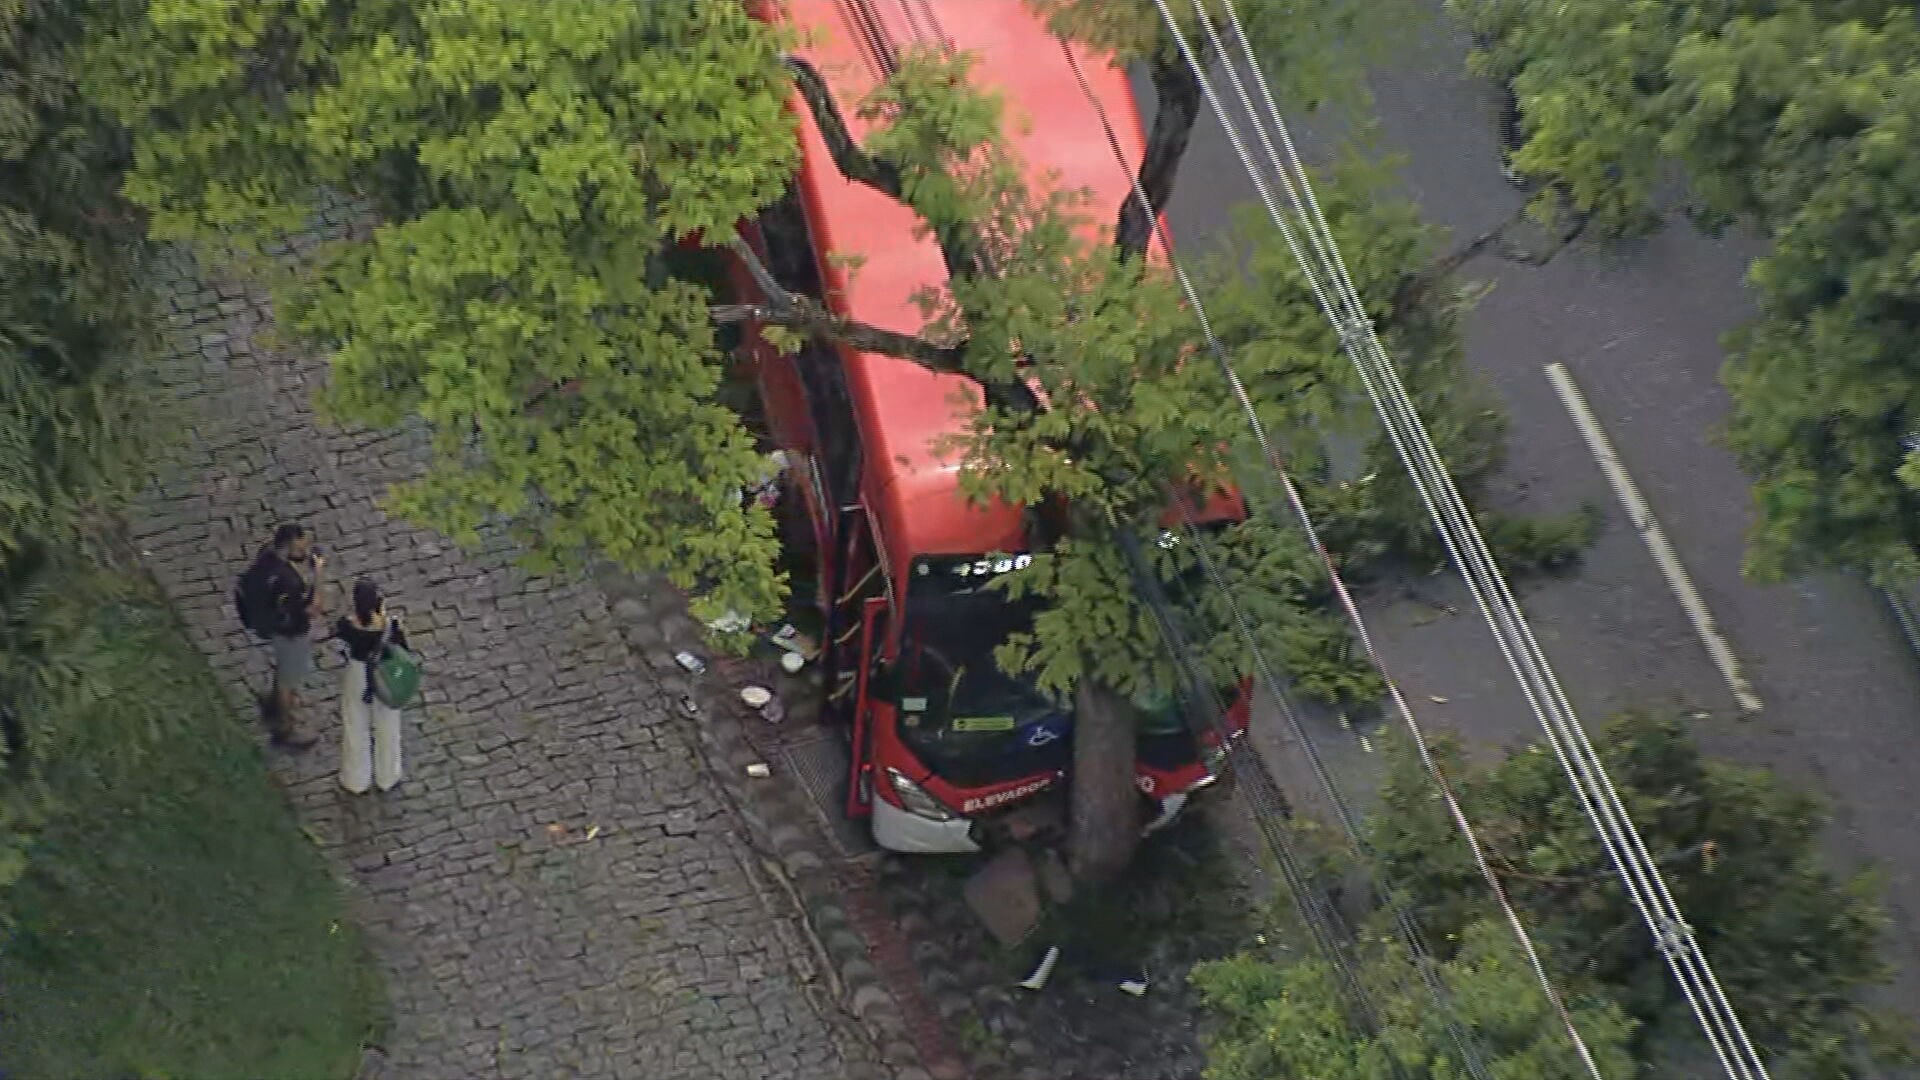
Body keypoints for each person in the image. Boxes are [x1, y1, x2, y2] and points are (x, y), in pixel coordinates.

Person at [242, 523, 324, 748]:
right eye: (301, 547)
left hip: (271, 623)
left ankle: (272, 704)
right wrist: (318, 575)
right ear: (289, 545)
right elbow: (313, 609)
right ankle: (284, 729)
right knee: (289, 679)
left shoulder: (266, 555)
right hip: (290, 632)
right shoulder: (289, 581)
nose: (305, 551)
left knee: (283, 669)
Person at [335, 577, 408, 794]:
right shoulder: (391, 626)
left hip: (358, 674)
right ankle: (388, 776)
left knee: (355, 723)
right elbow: (404, 649)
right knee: (388, 725)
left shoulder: (347, 625)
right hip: (385, 674)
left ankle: (355, 779)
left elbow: (341, 638)